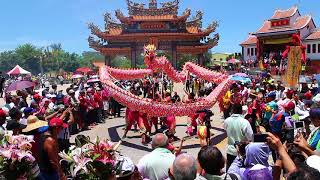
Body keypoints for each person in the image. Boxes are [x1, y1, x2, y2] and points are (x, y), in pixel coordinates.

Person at [224, 104, 253, 169]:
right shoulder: (245, 122)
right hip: (242, 152)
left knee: (230, 173)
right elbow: (251, 137)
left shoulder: (226, 121)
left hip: (230, 151)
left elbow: (225, 129)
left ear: (232, 110)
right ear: (241, 111)